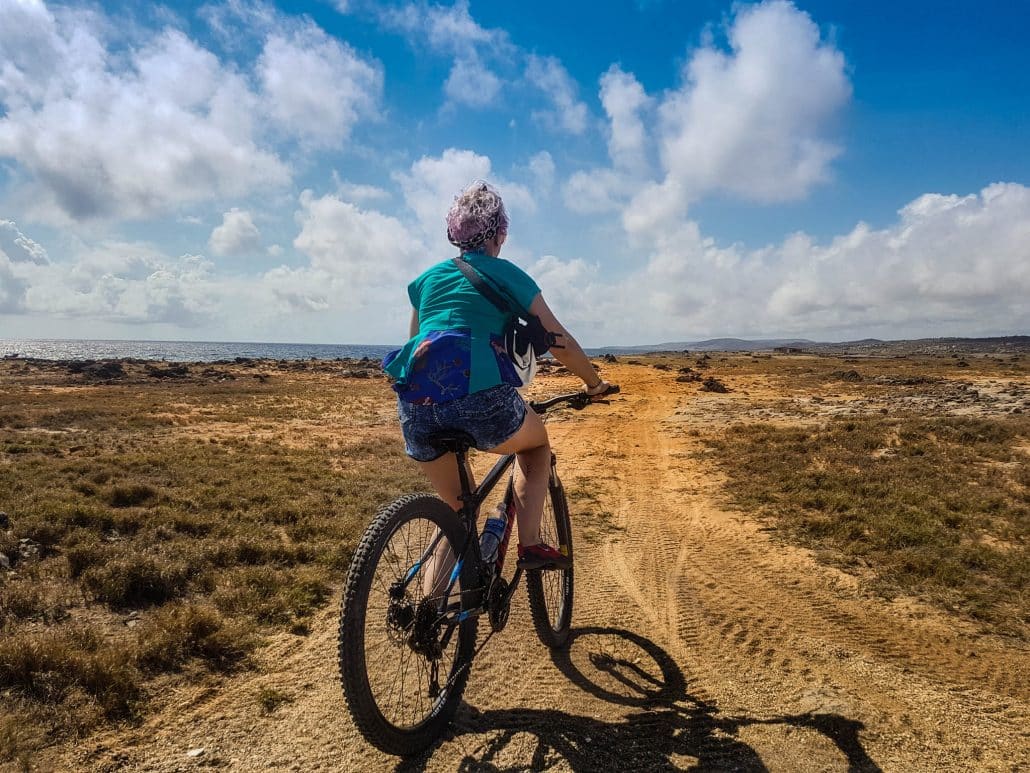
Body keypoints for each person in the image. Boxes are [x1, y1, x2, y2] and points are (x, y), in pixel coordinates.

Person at [383, 180, 615, 570]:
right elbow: (559, 342)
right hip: (484, 401)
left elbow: (415, 343)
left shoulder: (426, 281)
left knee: (458, 514)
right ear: (500, 233)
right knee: (536, 445)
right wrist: (593, 383)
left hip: (416, 407)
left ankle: (429, 611)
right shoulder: (507, 275)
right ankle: (530, 545)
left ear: (456, 235)